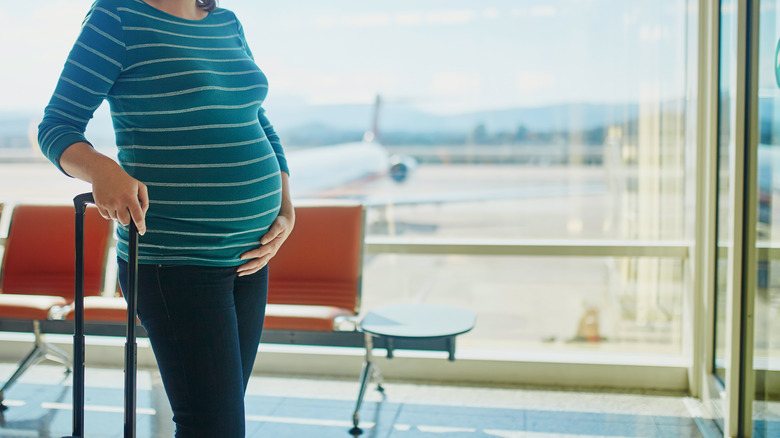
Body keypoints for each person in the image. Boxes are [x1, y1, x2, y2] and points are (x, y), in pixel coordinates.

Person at [37, 0, 293, 436]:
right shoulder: (116, 18)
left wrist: (285, 206)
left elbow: (256, 117)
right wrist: (103, 170)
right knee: (215, 426)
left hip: (252, 256)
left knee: (217, 419)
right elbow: (56, 126)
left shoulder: (226, 22)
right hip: (175, 258)